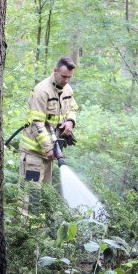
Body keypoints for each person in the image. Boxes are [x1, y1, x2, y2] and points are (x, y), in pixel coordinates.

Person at [18, 56, 79, 185]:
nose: (66, 80)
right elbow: (37, 123)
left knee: (45, 193)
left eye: (69, 77)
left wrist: (70, 121)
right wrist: (49, 149)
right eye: (64, 76)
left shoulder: (67, 89)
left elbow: (73, 108)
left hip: (49, 153)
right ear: (55, 71)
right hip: (33, 154)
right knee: (30, 193)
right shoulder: (41, 91)